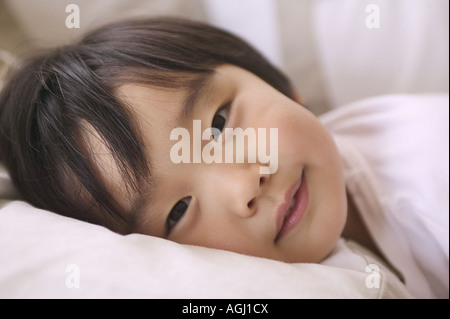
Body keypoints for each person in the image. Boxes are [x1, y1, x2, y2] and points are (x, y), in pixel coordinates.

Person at [0, 17, 447, 298]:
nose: (243, 186)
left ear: (279, 82)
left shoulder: (428, 159)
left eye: (216, 125)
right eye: (177, 212)